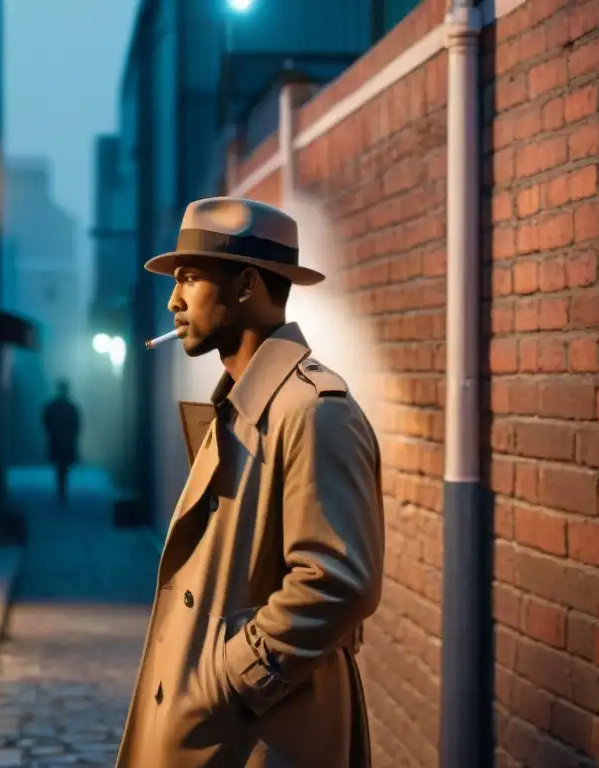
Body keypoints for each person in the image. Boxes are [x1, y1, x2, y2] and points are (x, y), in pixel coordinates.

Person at [115, 197, 384, 767]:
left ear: (244, 285)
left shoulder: (314, 410)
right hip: (220, 728)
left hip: (262, 735)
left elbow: (337, 581)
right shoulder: (239, 406)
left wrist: (227, 677)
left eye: (189, 278)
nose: (173, 300)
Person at [42, 379, 81, 503]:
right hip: (64, 441)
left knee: (60, 467)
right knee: (62, 467)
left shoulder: (54, 406)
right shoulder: (71, 407)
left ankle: (61, 489)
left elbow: (45, 421)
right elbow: (77, 425)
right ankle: (62, 490)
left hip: (59, 441)